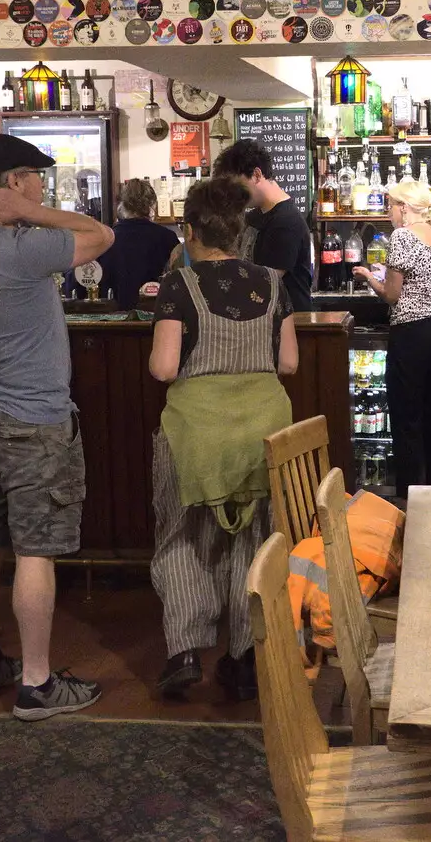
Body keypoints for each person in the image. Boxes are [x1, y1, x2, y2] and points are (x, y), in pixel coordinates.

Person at [0, 133, 114, 720]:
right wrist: (31, 215)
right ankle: (36, 683)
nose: (41, 187)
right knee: (36, 549)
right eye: (34, 179)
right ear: (12, 184)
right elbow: (103, 236)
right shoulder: (20, 244)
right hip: (31, 419)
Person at [148, 178, 297, 700]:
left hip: (198, 433)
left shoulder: (178, 285)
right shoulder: (273, 283)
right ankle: (243, 658)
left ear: (190, 230)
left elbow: (165, 368)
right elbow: (288, 362)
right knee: (251, 539)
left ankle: (186, 650)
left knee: (183, 536)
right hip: (264, 431)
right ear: (239, 232)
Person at [352, 179, 431, 497]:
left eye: (390, 207)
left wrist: (370, 277)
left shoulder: (402, 237)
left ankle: (410, 500)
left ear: (403, 208)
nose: (388, 214)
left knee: (406, 421)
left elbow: (393, 295)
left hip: (412, 334)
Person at [213, 138, 314, 311]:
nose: (234, 194)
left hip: (289, 322)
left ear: (257, 175)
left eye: (237, 186)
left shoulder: (286, 222)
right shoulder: (254, 216)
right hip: (263, 321)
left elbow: (265, 283)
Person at [65, 178, 179, 310]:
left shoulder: (105, 239)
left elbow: (78, 284)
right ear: (152, 205)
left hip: (108, 318)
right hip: (153, 315)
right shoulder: (167, 238)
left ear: (122, 205)